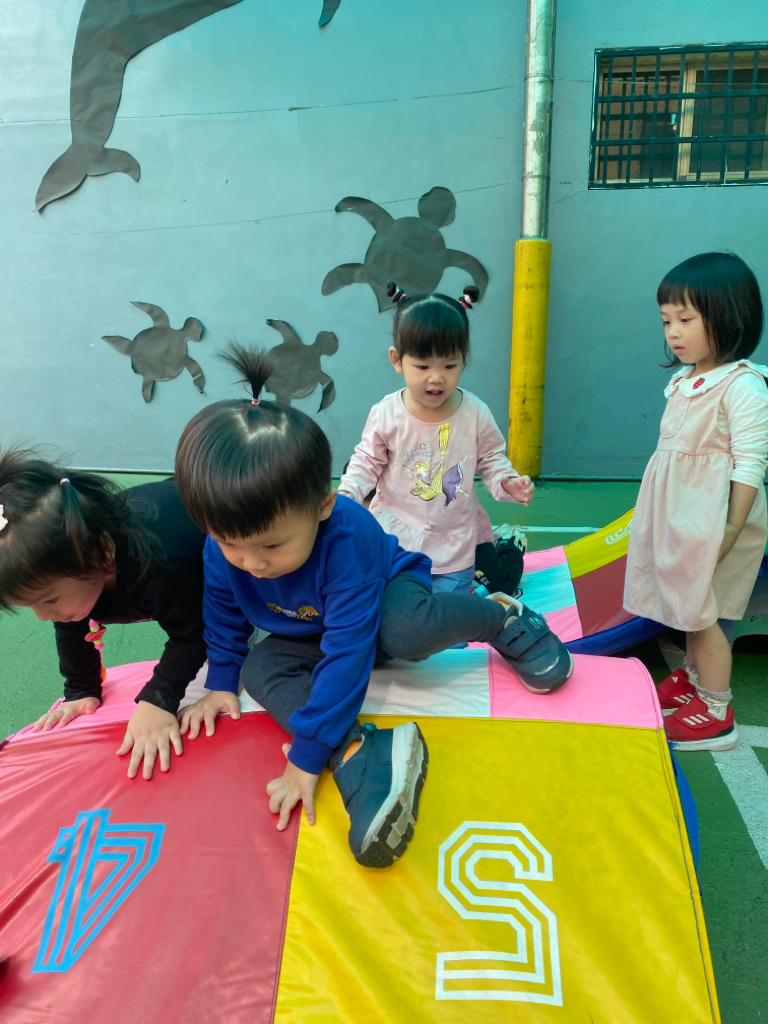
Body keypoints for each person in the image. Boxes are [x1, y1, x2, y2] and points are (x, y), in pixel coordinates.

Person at [174, 345, 572, 869]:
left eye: (271, 545)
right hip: (307, 629)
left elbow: (348, 649)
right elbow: (223, 615)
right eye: (230, 544)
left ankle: (499, 616)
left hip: (383, 599)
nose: (252, 563)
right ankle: (362, 751)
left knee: (404, 634)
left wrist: (306, 756)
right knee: (260, 667)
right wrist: (222, 679)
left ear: (323, 506)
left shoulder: (347, 536)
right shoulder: (223, 549)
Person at [624, 252, 768, 751]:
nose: (673, 332)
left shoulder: (743, 385)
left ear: (728, 317)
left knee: (703, 614)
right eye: (667, 320)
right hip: (685, 514)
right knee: (687, 607)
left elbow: (750, 463)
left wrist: (730, 528)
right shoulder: (687, 379)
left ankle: (715, 709)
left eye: (685, 319)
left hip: (716, 517)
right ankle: (693, 676)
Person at [0, 448, 207, 777]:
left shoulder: (159, 567)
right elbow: (72, 628)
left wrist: (158, 700)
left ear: (103, 552)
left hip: (204, 512)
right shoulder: (77, 574)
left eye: (49, 600)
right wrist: (81, 690)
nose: (42, 616)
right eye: (30, 605)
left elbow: (193, 636)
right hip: (169, 520)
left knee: (230, 625)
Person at [338, 282, 532, 594]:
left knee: (463, 605)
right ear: (397, 360)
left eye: (449, 365)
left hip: (454, 542)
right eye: (423, 365)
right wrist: (348, 493)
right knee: (394, 607)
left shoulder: (475, 413)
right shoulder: (387, 414)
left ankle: (507, 545)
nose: (436, 377)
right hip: (396, 537)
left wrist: (506, 482)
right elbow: (366, 460)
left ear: (464, 357)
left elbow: (492, 458)